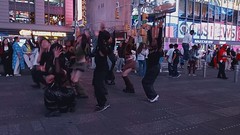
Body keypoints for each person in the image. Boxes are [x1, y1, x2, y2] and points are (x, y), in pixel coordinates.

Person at [92, 23, 111, 112]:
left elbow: (100, 39)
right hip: (99, 68)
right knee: (96, 84)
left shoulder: (105, 47)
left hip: (102, 69)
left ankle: (102, 103)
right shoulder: (101, 46)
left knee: (98, 85)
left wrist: (101, 31)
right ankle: (101, 101)